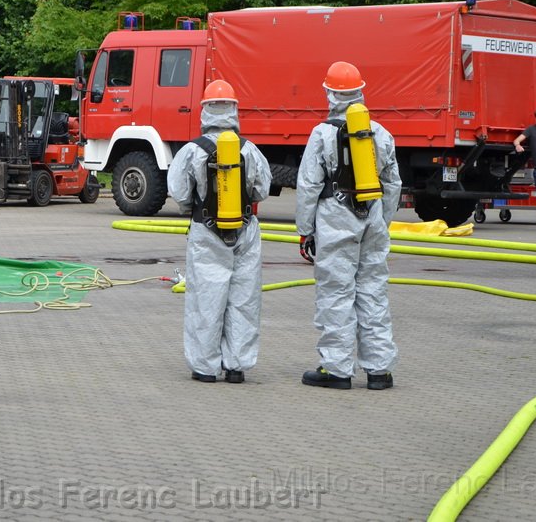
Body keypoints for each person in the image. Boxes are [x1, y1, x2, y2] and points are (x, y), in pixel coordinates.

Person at [295, 62, 402, 391]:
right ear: (361, 91)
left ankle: (337, 370)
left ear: (329, 93)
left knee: (336, 293)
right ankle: (379, 370)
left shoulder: (322, 134)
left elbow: (309, 185)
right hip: (371, 216)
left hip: (335, 216)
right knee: (373, 293)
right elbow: (393, 184)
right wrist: (381, 222)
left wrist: (306, 229)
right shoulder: (380, 133)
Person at [167, 79, 272, 384]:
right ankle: (237, 366)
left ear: (205, 111)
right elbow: (262, 189)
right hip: (245, 230)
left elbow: (179, 191)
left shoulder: (192, 151)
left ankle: (204, 367)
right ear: (234, 111)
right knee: (243, 299)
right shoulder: (249, 150)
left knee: (206, 298)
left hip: (206, 230)